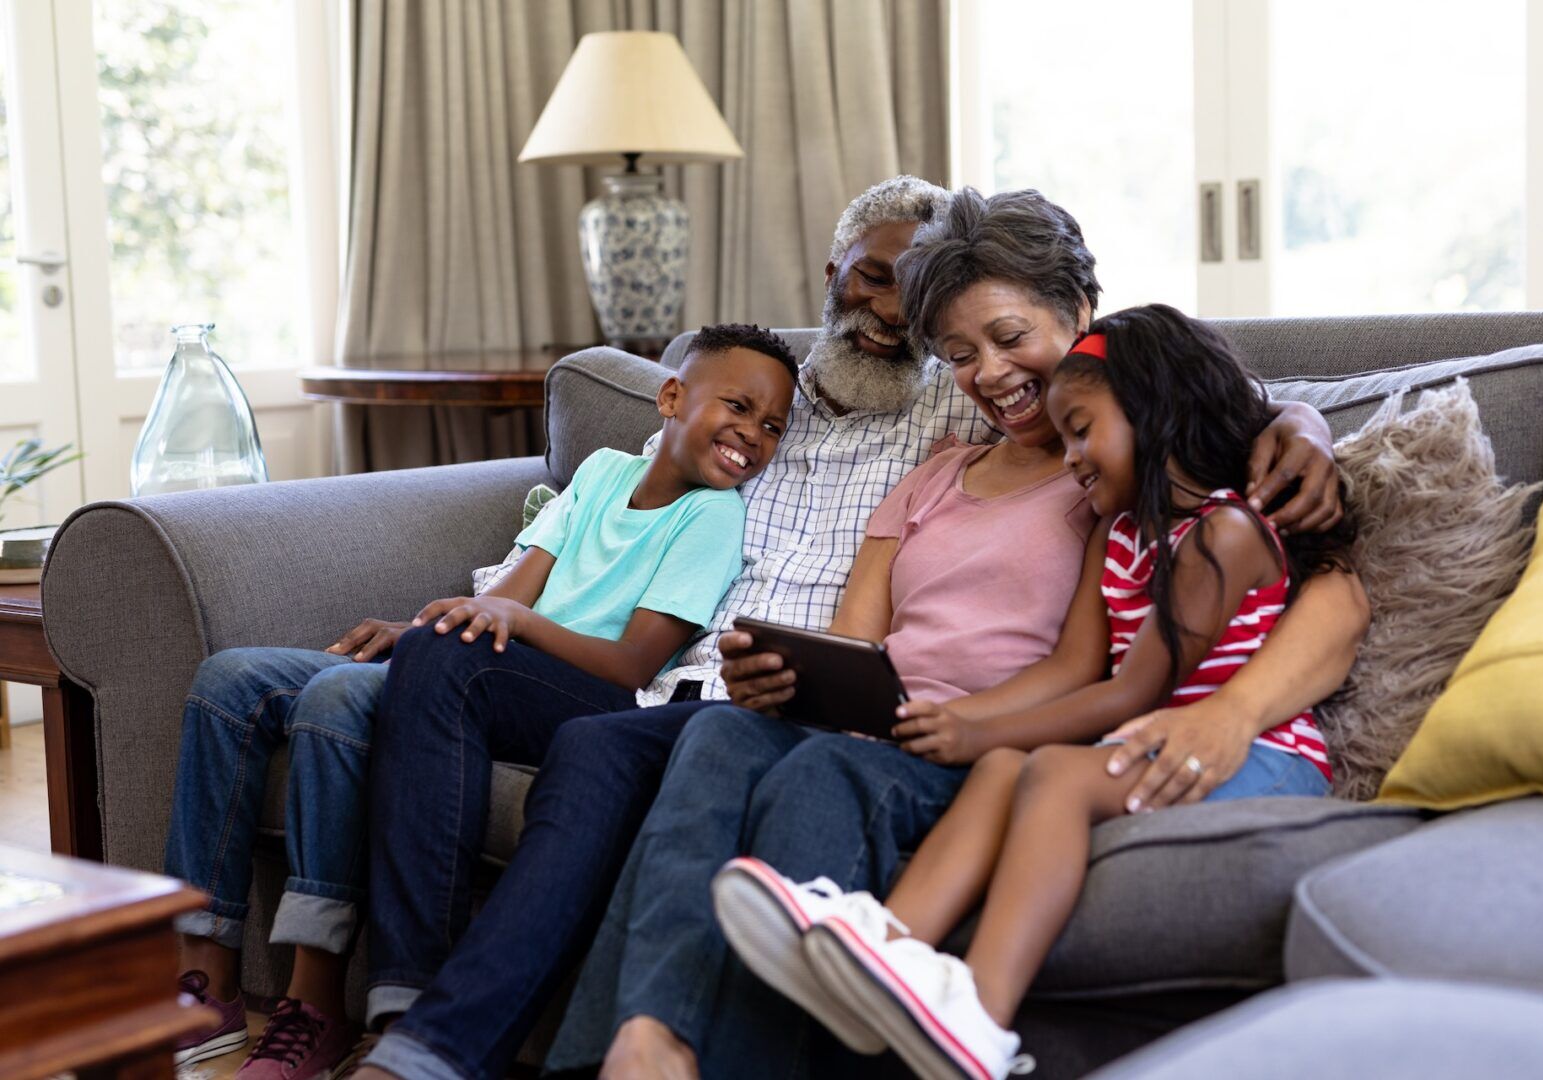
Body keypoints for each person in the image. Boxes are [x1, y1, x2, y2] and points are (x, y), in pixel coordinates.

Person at [541, 188, 1369, 1080]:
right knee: (713, 735)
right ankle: (641, 1040)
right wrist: (786, 675)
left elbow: (1256, 474)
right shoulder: (952, 465)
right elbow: (859, 643)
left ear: (1083, 317)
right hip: (898, 718)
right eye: (961, 356)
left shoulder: (1130, 472)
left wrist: (1303, 421)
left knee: (823, 771)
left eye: (1013, 339)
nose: (992, 374)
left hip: (985, 740)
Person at [723, 304, 1357, 1080]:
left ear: (1154, 411)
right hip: (1150, 736)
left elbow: (1131, 692)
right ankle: (879, 954)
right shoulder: (1119, 532)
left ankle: (982, 1019)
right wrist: (965, 730)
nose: (1073, 454)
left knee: (1047, 768)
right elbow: (1077, 668)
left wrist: (971, 731)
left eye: (1083, 430)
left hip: (1259, 756)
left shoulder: (1223, 534)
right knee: (1001, 770)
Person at [163, 321, 794, 1079]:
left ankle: (344, 1005)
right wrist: (433, 627)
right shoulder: (599, 473)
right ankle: (205, 983)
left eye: (772, 427)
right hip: (491, 663)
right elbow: (515, 588)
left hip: (584, 693)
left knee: (342, 697)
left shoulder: (712, 515)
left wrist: (508, 625)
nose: (753, 434)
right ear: (670, 396)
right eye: (739, 406)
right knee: (231, 681)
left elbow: (633, 662)